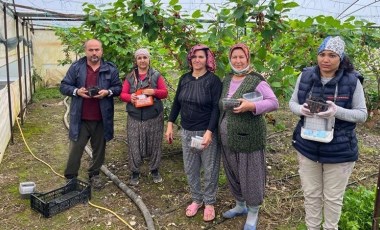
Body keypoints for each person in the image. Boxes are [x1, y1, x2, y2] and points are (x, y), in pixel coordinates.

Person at [289, 36, 368, 230]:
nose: (326, 59)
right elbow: (292, 103)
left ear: (340, 58)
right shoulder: (305, 76)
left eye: (332, 55)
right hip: (307, 145)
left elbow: (362, 114)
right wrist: (301, 110)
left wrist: (337, 111)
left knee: (333, 198)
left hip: (339, 150)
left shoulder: (352, 81)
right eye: (322, 54)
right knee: (311, 194)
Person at [219, 43, 279, 230]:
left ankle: (253, 211)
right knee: (233, 172)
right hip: (227, 136)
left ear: (247, 59)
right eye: (234, 57)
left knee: (250, 174)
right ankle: (240, 205)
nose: (237, 61)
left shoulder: (256, 80)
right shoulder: (227, 79)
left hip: (249, 137)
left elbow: (273, 102)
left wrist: (252, 106)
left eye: (241, 57)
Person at [165, 44, 222, 222]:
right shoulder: (184, 79)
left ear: (207, 60)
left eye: (201, 57)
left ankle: (210, 202)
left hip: (205, 132)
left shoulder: (213, 81)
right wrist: (170, 124)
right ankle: (197, 199)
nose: (197, 60)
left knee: (210, 168)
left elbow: (216, 108)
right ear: (190, 59)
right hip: (187, 131)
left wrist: (209, 132)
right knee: (191, 168)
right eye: (194, 57)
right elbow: (176, 103)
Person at [60, 39, 122, 189]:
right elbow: (64, 85)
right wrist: (77, 91)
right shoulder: (76, 68)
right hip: (80, 117)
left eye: (97, 50)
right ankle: (71, 177)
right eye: (91, 50)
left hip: (101, 118)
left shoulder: (110, 69)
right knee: (76, 149)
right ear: (85, 51)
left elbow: (118, 87)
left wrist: (108, 92)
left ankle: (94, 174)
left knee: (99, 150)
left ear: (102, 51)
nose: (94, 53)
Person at [120, 48, 168, 185]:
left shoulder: (156, 75)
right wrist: (131, 97)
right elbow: (122, 95)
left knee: (155, 143)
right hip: (134, 116)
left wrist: (154, 91)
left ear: (149, 59)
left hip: (153, 115)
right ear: (136, 60)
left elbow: (164, 93)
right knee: (134, 143)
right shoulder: (130, 77)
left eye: (145, 57)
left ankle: (154, 170)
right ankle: (135, 172)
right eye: (139, 58)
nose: (142, 60)